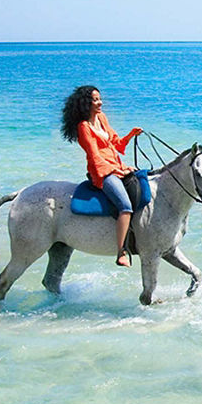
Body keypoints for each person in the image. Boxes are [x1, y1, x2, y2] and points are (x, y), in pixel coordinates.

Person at [61, 85, 142, 267]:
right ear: (86, 103)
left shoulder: (102, 118)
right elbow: (94, 156)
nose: (100, 102)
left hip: (116, 166)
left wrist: (131, 134)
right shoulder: (84, 127)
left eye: (100, 99)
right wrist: (116, 171)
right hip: (102, 173)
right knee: (125, 206)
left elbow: (117, 144)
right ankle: (121, 251)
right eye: (95, 100)